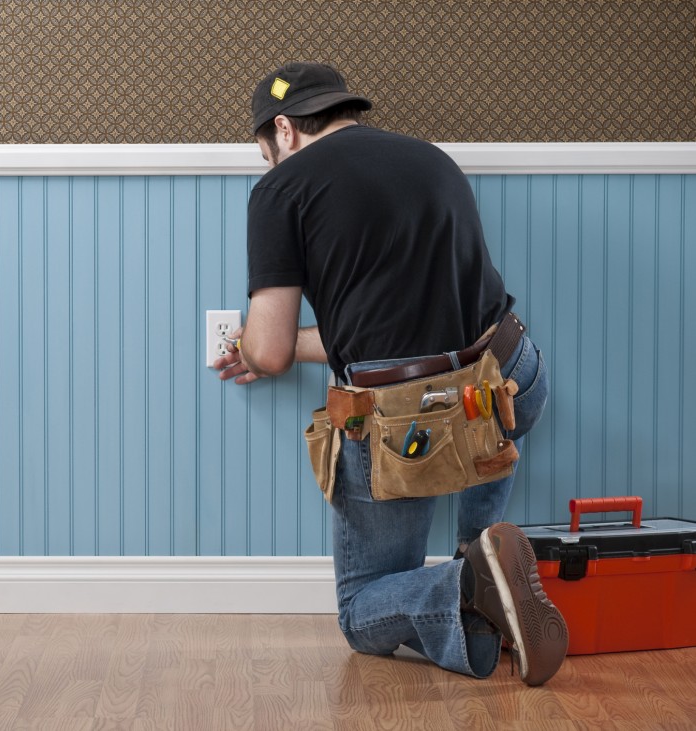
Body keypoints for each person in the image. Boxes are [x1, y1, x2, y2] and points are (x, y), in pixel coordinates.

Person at [213, 61, 568, 685]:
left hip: (412, 425)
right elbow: (400, 330)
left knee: (360, 613)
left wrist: (260, 342)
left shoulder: (282, 187)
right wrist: (298, 344)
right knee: (483, 446)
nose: (268, 163)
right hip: (510, 375)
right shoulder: (431, 159)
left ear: (284, 130)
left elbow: (265, 354)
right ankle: (482, 572)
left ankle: (471, 580)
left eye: (264, 151)